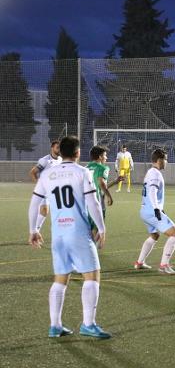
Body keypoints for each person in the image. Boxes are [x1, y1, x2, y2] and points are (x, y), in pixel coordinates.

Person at [27, 136, 111, 339]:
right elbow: (93, 202)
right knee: (92, 275)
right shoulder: (83, 172)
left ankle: (55, 326)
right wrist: (101, 227)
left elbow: (35, 202)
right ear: (77, 153)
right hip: (78, 232)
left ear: (60, 151)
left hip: (58, 235)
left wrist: (33, 229)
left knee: (60, 278)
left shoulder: (47, 174)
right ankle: (88, 324)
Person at [133, 149, 175, 275]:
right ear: (160, 160)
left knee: (154, 236)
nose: (166, 162)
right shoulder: (155, 174)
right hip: (151, 211)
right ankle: (164, 266)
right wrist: (156, 209)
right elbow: (152, 192)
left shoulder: (150, 172)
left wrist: (159, 208)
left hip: (144, 210)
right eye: (165, 159)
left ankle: (139, 263)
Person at [86, 146, 123, 232]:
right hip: (97, 204)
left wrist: (115, 181)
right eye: (105, 155)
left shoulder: (86, 168)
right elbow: (101, 184)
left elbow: (100, 185)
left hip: (86, 204)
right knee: (98, 232)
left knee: (88, 231)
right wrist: (109, 196)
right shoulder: (103, 168)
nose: (106, 157)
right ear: (100, 157)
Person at [28, 140, 61, 233]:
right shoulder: (45, 160)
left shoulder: (61, 160)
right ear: (52, 148)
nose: (59, 150)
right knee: (44, 211)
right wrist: (40, 186)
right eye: (57, 147)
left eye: (60, 148)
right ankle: (35, 230)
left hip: (56, 190)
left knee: (58, 212)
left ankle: (60, 230)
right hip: (45, 190)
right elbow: (33, 172)